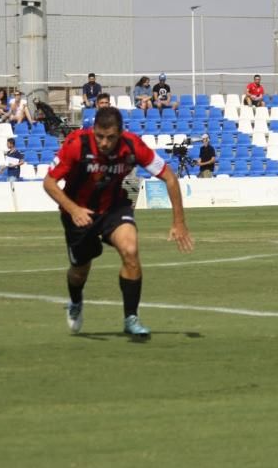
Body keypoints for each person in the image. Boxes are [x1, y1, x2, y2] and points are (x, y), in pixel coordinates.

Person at [43, 106, 194, 338]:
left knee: (130, 250)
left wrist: (179, 222)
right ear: (93, 131)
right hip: (78, 212)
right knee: (80, 270)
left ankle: (131, 318)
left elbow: (169, 178)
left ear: (120, 133)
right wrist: (73, 210)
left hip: (114, 208)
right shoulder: (76, 144)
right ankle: (75, 301)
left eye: (110, 137)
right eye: (100, 136)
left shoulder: (133, 145)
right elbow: (49, 183)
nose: (104, 143)